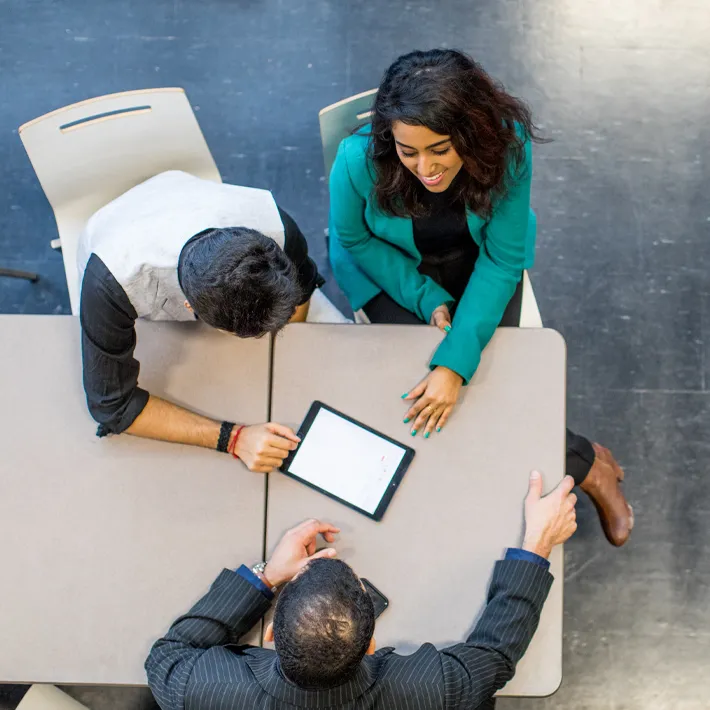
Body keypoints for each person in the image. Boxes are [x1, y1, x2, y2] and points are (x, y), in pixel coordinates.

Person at [328, 49, 633, 547]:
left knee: (489, 389)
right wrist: (423, 295)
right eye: (408, 152)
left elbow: (504, 259)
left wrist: (457, 362)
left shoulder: (507, 150)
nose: (424, 168)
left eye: (440, 149)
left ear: (470, 133)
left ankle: (588, 464)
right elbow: (354, 240)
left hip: (480, 261)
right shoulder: (357, 160)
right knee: (413, 393)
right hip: (390, 269)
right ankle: (582, 460)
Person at [146, 470, 577, 710]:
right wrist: (538, 542)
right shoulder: (430, 689)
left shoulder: (201, 687)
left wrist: (267, 573)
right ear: (371, 644)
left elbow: (166, 655)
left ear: (272, 632)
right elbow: (494, 656)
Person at [78, 169, 324, 472]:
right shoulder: (109, 282)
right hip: (118, 238)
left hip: (188, 198)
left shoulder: (278, 227)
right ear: (188, 308)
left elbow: (303, 290)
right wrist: (234, 438)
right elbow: (112, 407)